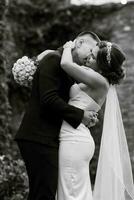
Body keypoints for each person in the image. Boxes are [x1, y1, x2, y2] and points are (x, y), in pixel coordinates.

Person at [15, 31, 100, 200]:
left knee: (43, 193)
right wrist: (80, 115)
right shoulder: (53, 59)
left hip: (47, 137)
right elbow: (49, 98)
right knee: (43, 194)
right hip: (38, 136)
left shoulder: (66, 66)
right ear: (79, 42)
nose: (90, 57)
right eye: (90, 52)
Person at [57, 40, 131, 200]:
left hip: (74, 140)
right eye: (90, 52)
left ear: (103, 66)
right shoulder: (96, 78)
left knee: (70, 192)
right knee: (75, 192)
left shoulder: (99, 81)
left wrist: (69, 46)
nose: (89, 57)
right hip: (75, 137)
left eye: (93, 56)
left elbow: (65, 64)